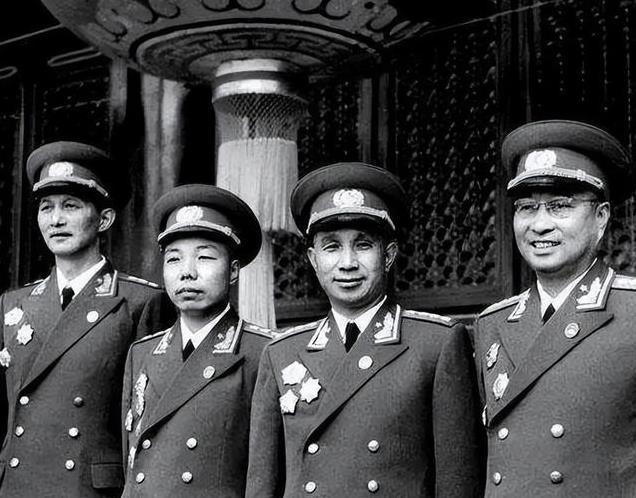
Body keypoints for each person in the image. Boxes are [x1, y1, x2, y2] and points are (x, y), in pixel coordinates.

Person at [246, 162, 483, 498]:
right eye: (332, 247)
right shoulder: (281, 353)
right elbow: (262, 485)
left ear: (388, 255)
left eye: (362, 245)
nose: (347, 263)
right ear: (313, 259)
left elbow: (457, 481)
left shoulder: (435, 345)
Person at [0, 141, 172, 497]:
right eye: (46, 208)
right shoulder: (13, 306)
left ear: (104, 219)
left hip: (88, 488)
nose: (56, 220)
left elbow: (148, 423)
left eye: (71, 206)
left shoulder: (139, 303)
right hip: (17, 485)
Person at [474, 119, 636, 496]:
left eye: (560, 206)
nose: (540, 225)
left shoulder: (630, 310)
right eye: (527, 208)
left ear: (600, 218)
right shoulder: (492, 323)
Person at [121, 184, 272, 497]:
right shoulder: (143, 352)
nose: (187, 273)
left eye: (204, 257)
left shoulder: (262, 352)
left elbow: (264, 473)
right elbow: (132, 466)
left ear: (233, 271)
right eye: (174, 260)